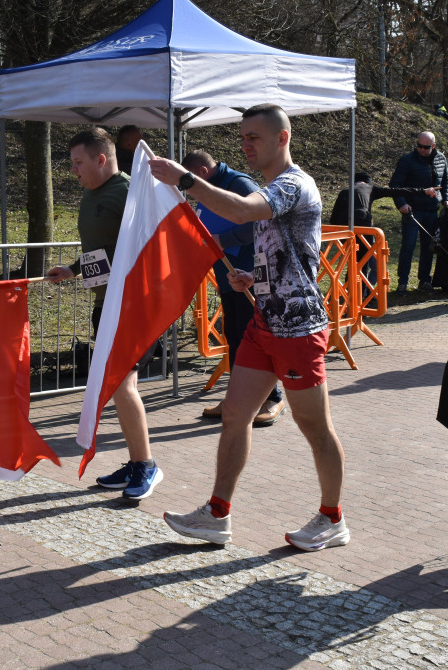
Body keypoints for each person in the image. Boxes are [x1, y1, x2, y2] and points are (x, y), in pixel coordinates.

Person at [149, 104, 351, 552]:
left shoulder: (294, 184)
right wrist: (254, 280)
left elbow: (241, 212)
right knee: (235, 415)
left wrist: (185, 179)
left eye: (254, 136)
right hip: (265, 322)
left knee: (314, 426)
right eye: (242, 137)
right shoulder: (271, 186)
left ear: (283, 138)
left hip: (298, 328)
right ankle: (217, 514)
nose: (245, 145)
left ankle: (332, 518)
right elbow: (281, 251)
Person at [46, 128, 162, 500]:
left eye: (79, 162)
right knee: (119, 387)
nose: (74, 170)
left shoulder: (127, 191)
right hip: (105, 306)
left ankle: (146, 465)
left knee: (121, 386)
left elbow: (152, 242)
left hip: (131, 307)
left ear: (101, 159)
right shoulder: (92, 193)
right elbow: (104, 250)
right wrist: (73, 269)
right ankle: (137, 462)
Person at [181, 150, 285, 427]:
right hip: (229, 276)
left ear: (201, 173)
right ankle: (240, 397)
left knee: (256, 336)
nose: (190, 194)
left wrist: (222, 239)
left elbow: (262, 223)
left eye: (188, 185)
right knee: (235, 335)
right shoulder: (213, 189)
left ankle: (272, 396)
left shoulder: (240, 185)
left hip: (252, 275)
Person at [329, 172, 437, 287]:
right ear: (368, 182)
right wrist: (423, 191)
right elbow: (397, 191)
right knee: (362, 263)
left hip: (344, 229)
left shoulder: (344, 192)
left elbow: (333, 218)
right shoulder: (371, 188)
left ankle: (346, 293)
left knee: (351, 262)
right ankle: (360, 297)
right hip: (363, 226)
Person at [389, 131, 448, 294]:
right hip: (412, 210)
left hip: (432, 210)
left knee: (429, 247)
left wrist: (446, 198)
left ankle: (424, 280)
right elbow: (395, 184)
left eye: (426, 147)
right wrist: (401, 204)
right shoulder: (407, 160)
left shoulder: (441, 159)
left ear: (434, 146)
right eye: (419, 146)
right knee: (408, 247)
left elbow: (446, 181)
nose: (422, 150)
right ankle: (402, 282)